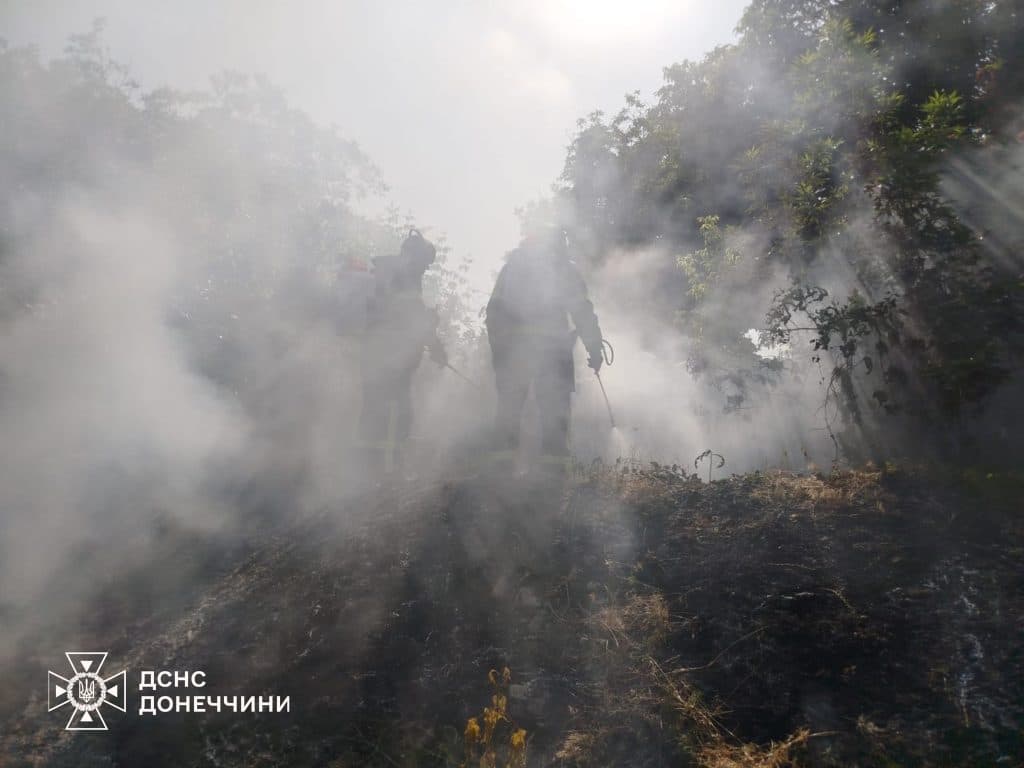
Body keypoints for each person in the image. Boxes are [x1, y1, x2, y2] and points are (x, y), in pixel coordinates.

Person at [485, 227, 603, 470]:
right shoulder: (564, 269)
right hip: (552, 352)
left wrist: (498, 351)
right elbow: (582, 311)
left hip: (513, 353)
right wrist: (594, 348)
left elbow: (493, 311)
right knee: (555, 411)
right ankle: (553, 473)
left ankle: (499, 473)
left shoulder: (512, 268)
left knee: (508, 411)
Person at [359, 229, 447, 472]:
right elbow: (413, 319)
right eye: (426, 263)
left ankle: (369, 468)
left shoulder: (387, 273)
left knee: (375, 408)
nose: (426, 268)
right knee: (400, 409)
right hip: (394, 356)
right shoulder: (405, 275)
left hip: (374, 354)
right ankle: (393, 466)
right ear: (415, 256)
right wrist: (435, 343)